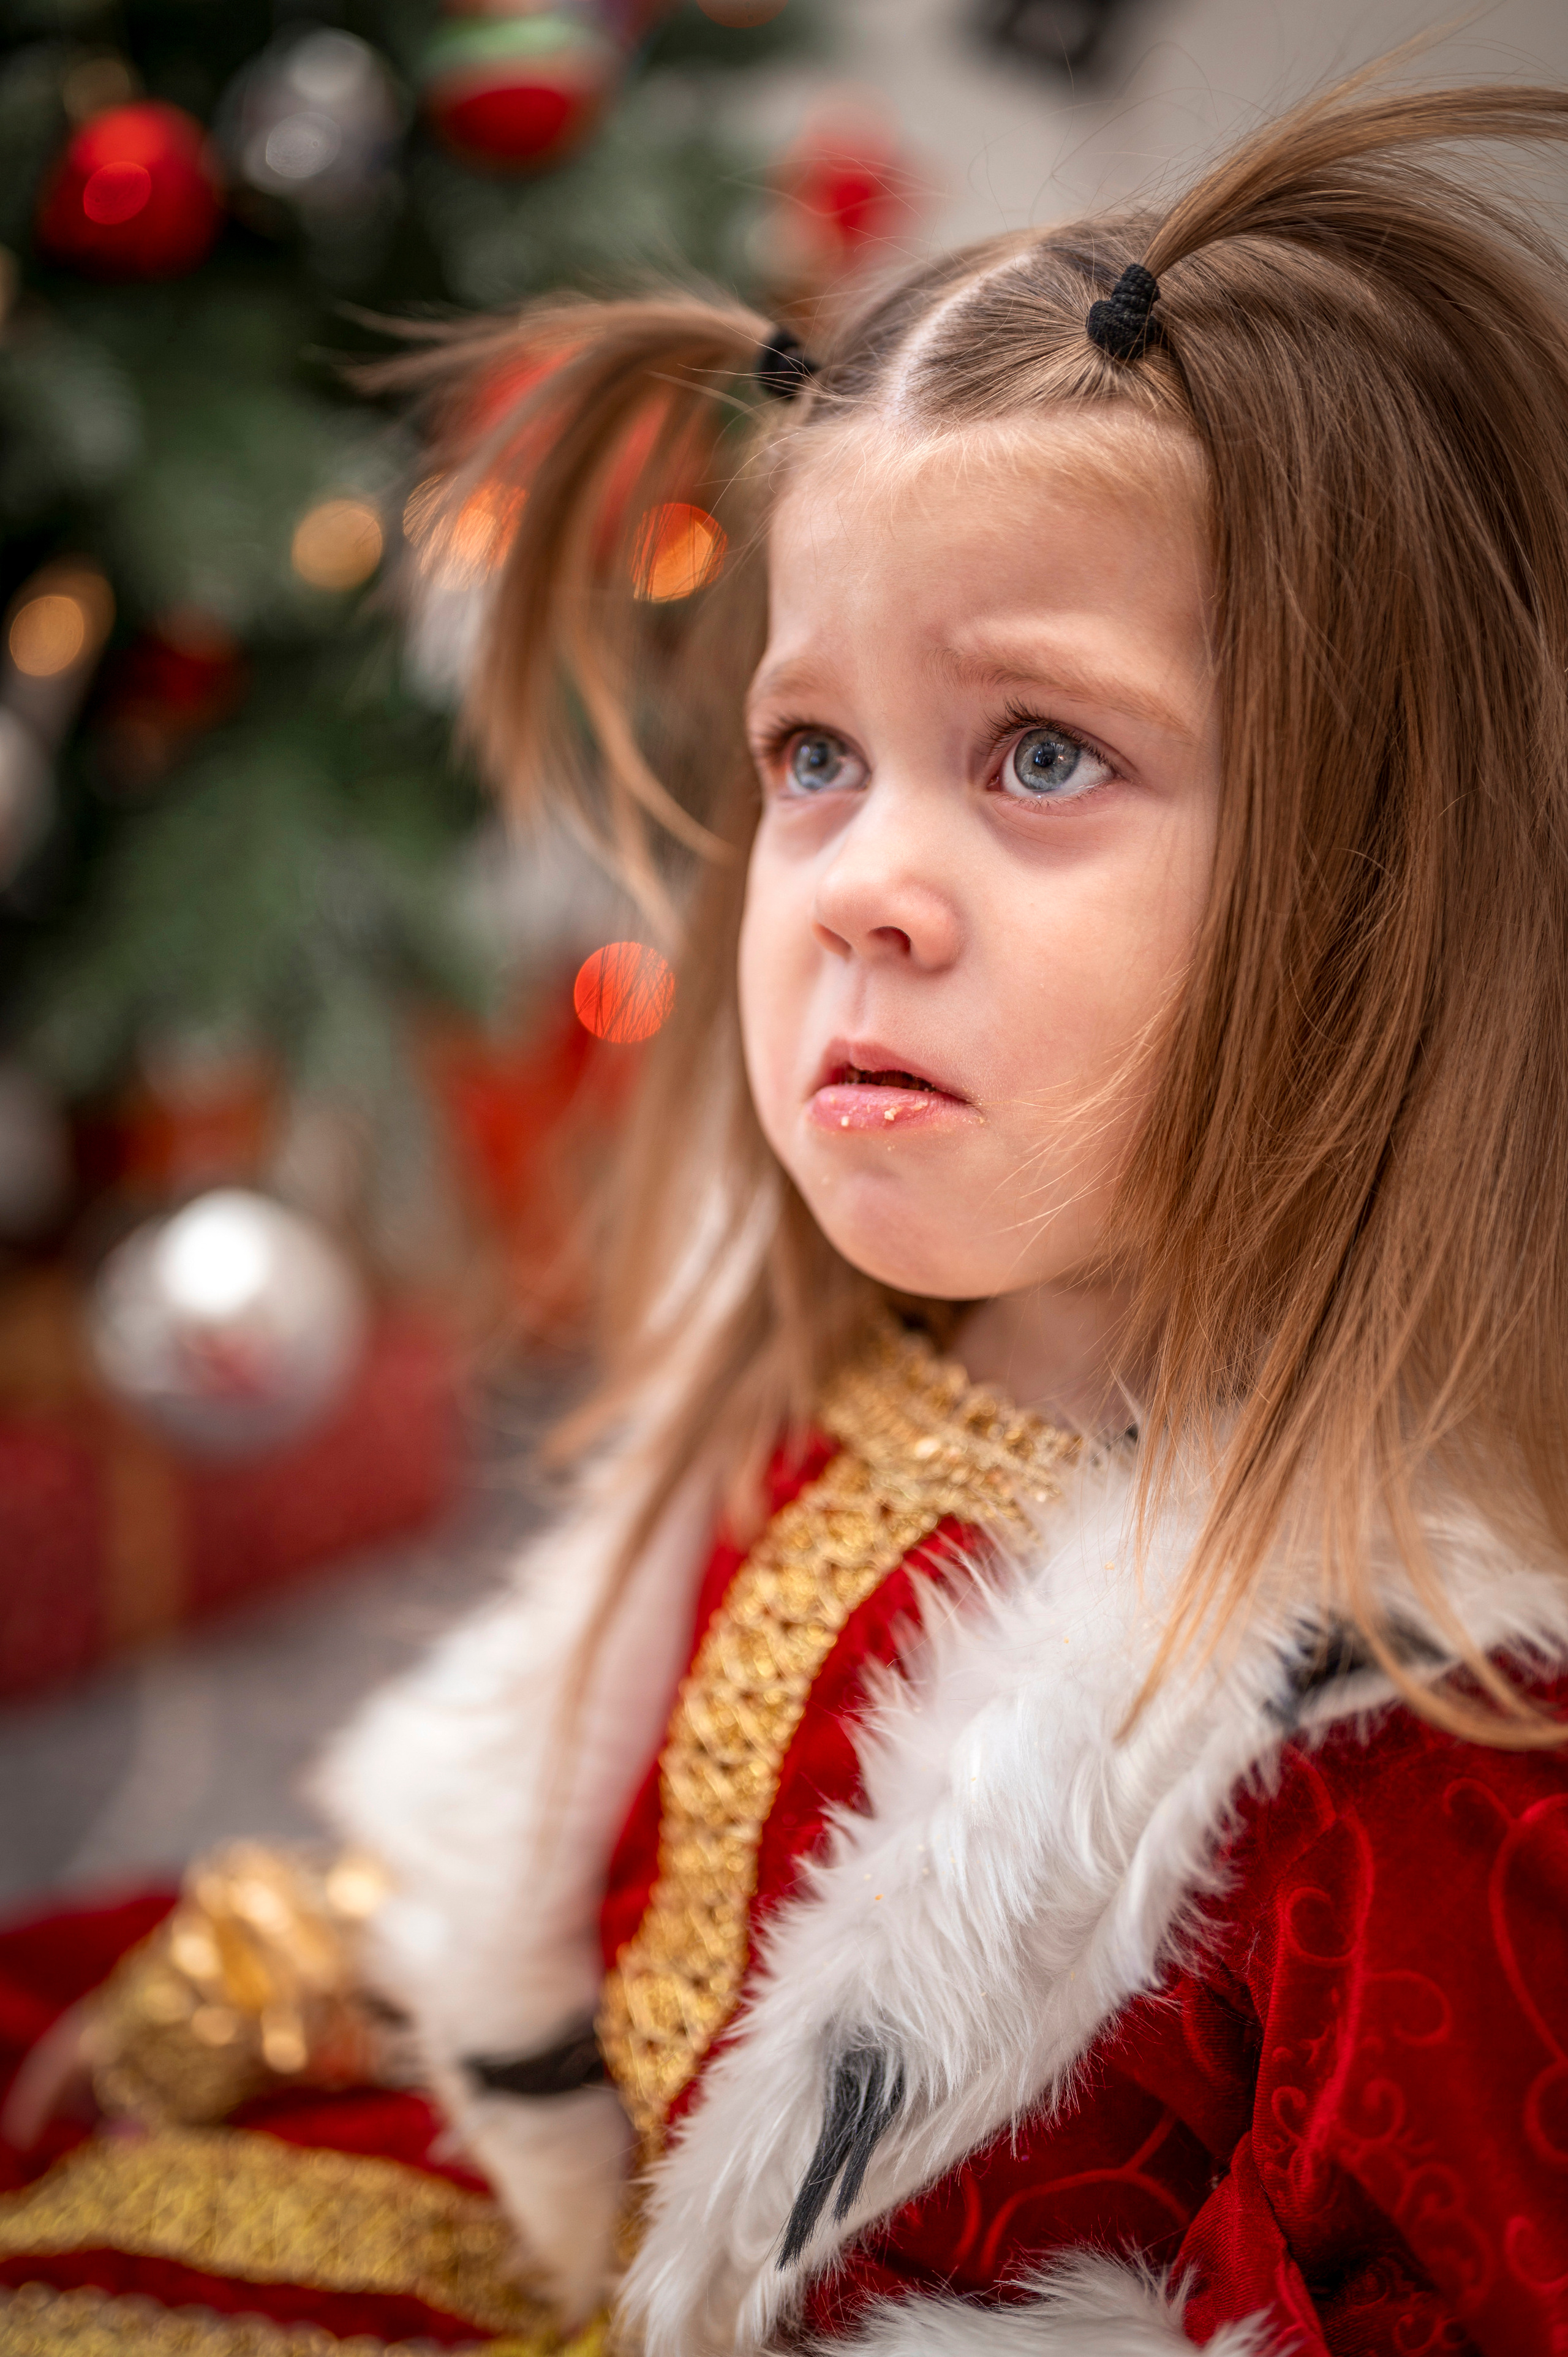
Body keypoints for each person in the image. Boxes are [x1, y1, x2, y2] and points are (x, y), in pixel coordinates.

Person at [6, 66, 1568, 2357]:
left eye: (1042, 753)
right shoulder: (826, 1393)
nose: (858, 892)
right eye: (812, 756)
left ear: (1367, 892)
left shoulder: (1403, 1742)